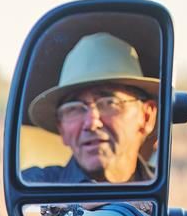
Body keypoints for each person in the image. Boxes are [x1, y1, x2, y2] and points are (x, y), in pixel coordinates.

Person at [23, 32, 159, 184]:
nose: (91, 123)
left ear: (147, 117)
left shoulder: (172, 193)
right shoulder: (35, 190)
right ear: (62, 129)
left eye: (109, 103)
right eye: (74, 108)